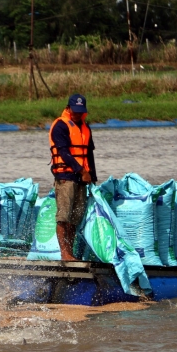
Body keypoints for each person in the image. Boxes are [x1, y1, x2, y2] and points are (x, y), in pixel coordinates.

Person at [49, 93, 97, 261]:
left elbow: (88, 154)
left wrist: (92, 175)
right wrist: (82, 171)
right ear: (68, 108)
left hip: (81, 179)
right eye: (75, 111)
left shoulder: (85, 127)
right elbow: (64, 153)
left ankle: (71, 253)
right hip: (65, 177)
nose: (77, 114)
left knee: (75, 218)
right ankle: (65, 254)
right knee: (64, 216)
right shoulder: (60, 126)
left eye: (80, 111)